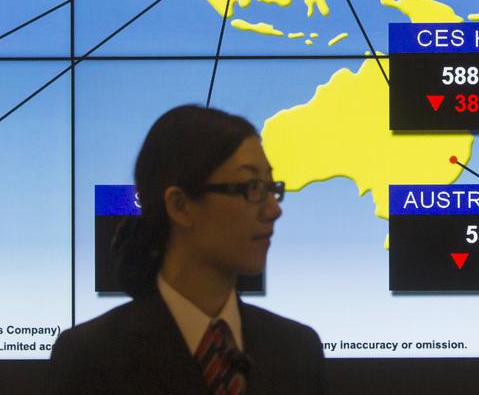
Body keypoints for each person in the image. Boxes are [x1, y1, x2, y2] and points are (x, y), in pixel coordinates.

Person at [46, 105, 325, 394]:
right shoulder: (90, 358)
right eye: (252, 187)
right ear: (180, 206)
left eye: (271, 187)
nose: (274, 209)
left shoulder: (297, 351)